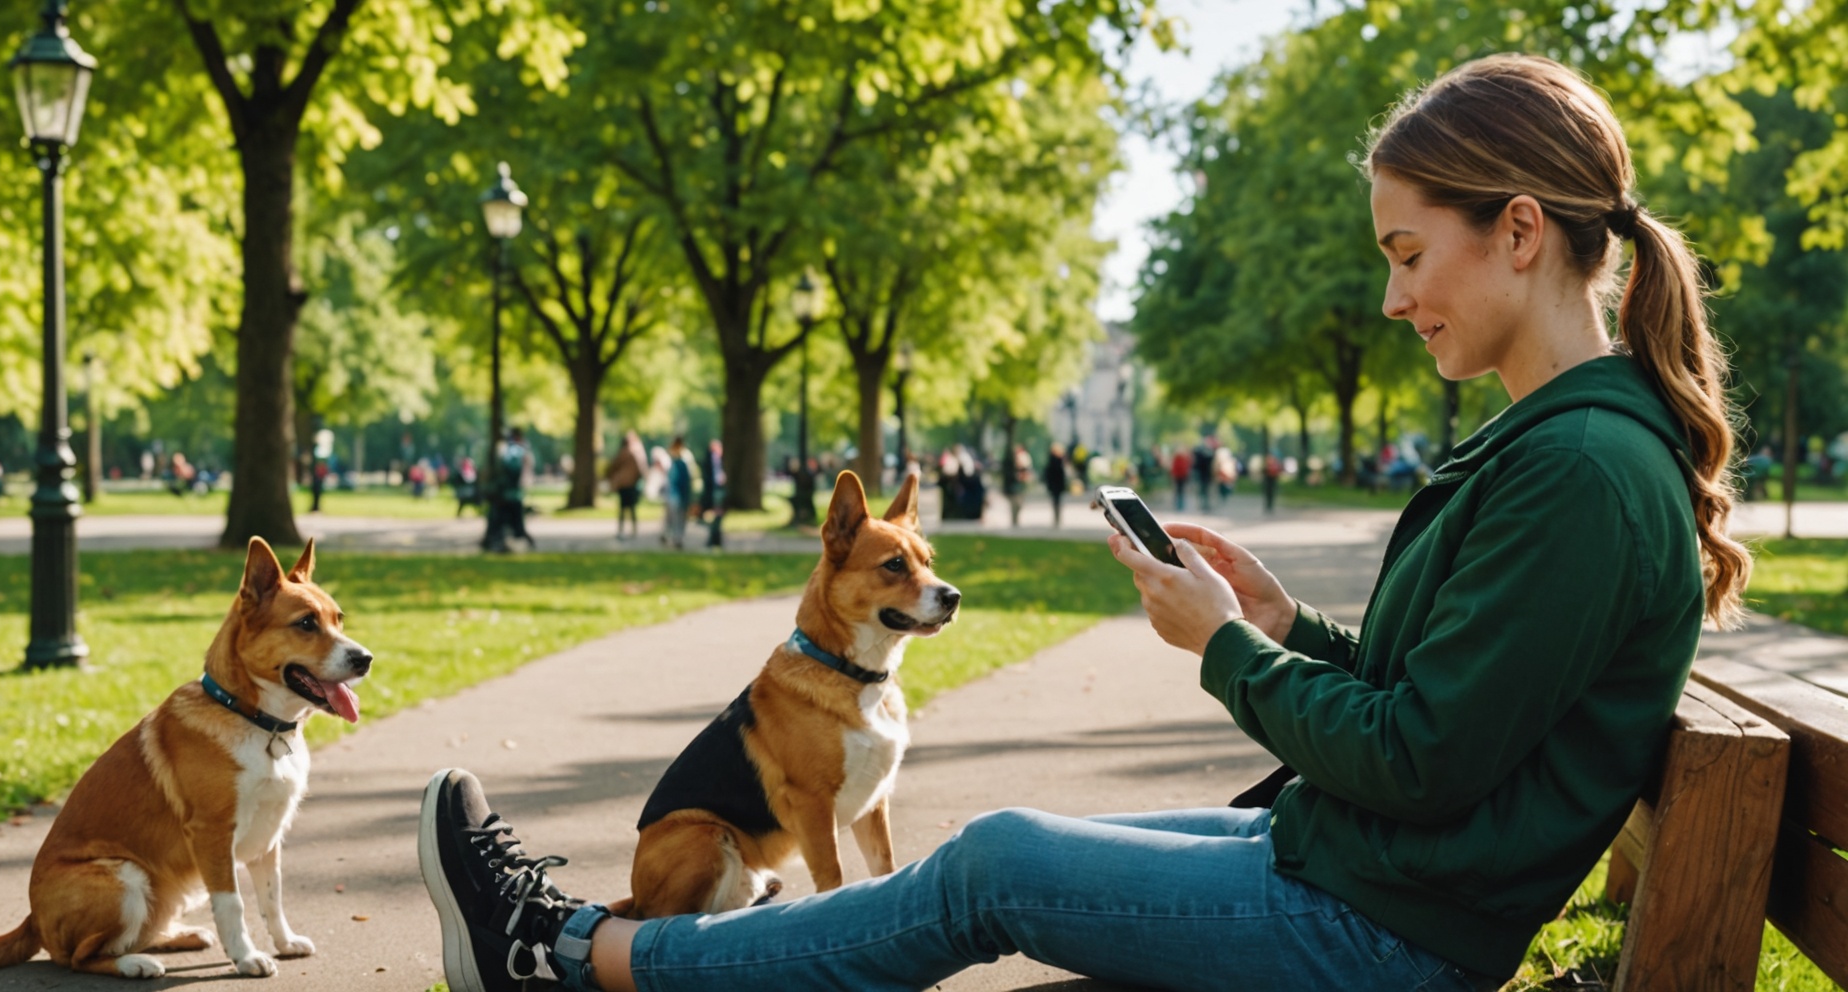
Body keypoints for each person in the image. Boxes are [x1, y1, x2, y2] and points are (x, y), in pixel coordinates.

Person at [414, 54, 1748, 992]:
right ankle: (598, 945)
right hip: (1374, 872)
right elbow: (1445, 706)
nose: (1396, 299)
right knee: (1003, 845)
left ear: (1519, 232)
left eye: (1407, 253)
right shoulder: (1563, 449)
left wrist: (1230, 651)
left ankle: (568, 953)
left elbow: (1421, 760)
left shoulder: (1577, 468)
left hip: (1388, 928)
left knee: (992, 864)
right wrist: (1288, 626)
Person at [605, 431, 647, 541]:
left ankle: (621, 530)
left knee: (623, 508)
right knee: (631, 508)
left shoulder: (621, 453)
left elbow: (612, 467)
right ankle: (633, 530)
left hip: (623, 484)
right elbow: (640, 469)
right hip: (631, 484)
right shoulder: (635, 453)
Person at [661, 436, 694, 550]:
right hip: (676, 493)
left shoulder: (679, 459)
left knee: (675, 517)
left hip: (674, 493)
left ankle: (674, 537)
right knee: (676, 517)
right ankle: (675, 537)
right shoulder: (681, 460)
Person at [696, 439, 727, 549]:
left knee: (717, 516)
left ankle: (715, 538)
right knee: (716, 515)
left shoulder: (719, 459)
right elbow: (711, 477)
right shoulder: (712, 459)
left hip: (717, 490)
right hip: (714, 491)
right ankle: (714, 539)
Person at [1042, 443, 1070, 527]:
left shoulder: (1053, 460)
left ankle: (1057, 519)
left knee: (1056, 501)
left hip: (1055, 485)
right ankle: (1057, 519)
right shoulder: (1057, 461)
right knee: (1056, 501)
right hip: (1056, 485)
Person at [1004, 444, 1032, 527]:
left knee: (1019, 503)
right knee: (1014, 503)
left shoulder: (1024, 459)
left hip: (1020, 484)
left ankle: (1015, 520)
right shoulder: (1011, 462)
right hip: (1014, 485)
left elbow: (1026, 470)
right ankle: (1014, 521)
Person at [1168, 445, 1192, 511]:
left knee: (1180, 491)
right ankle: (1178, 504)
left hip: (1182, 476)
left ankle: (1180, 504)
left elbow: (1186, 467)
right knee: (1179, 491)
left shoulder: (1184, 458)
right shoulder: (1178, 458)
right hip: (1178, 476)